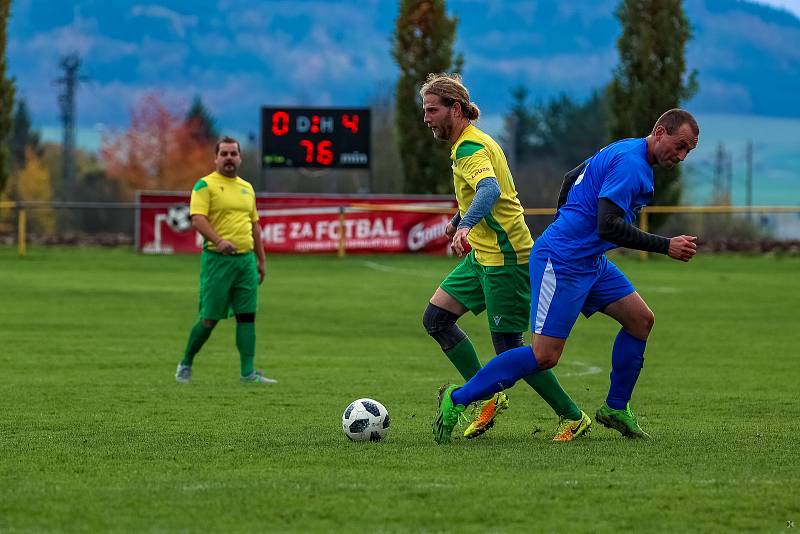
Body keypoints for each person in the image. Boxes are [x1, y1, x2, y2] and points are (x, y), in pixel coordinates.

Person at [433, 109, 700, 444]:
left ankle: (616, 408)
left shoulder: (626, 150)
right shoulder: (632, 164)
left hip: (589, 260)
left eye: (688, 151)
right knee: (544, 355)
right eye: (680, 145)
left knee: (640, 320)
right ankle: (457, 399)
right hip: (562, 262)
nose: (681, 155)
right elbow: (609, 226)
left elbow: (571, 176)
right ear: (660, 131)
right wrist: (667, 246)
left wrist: (568, 222)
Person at [420, 73, 591, 443]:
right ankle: (489, 396)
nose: (426, 118)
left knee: (512, 350)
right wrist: (458, 221)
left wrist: (464, 225)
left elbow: (490, 189)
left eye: (432, 110)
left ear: (456, 108)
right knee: (437, 319)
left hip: (506, 258)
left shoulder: (469, 148)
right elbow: (483, 194)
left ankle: (572, 416)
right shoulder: (471, 143)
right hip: (482, 256)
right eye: (424, 110)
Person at [175, 136, 276, 384]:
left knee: (247, 316)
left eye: (233, 153)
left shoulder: (246, 188)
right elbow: (198, 218)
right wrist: (219, 241)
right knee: (209, 318)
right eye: (224, 154)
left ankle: (248, 374)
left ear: (240, 158)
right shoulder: (205, 186)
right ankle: (185, 363)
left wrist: (261, 261)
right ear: (216, 158)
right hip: (217, 261)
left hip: (245, 263)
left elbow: (255, 226)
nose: (229, 158)